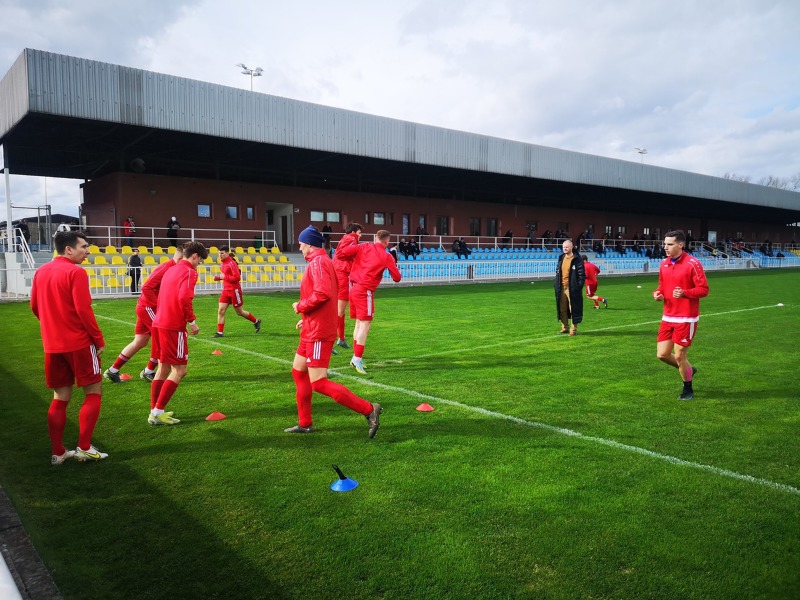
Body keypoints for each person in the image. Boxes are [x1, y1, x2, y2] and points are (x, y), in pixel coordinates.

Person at [284, 226, 382, 438]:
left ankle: (369, 409)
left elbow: (322, 294)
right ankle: (305, 423)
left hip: (318, 333)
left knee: (319, 382)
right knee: (298, 371)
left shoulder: (319, 263)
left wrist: (301, 306)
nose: (299, 248)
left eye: (301, 244)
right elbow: (325, 295)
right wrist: (306, 318)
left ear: (309, 244)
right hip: (312, 327)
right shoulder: (318, 261)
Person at [31, 230, 108, 464]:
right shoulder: (76, 272)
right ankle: (84, 447)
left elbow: (35, 306)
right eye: (83, 247)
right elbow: (83, 309)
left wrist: (53, 326)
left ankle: (58, 452)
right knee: (93, 391)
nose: (88, 251)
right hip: (79, 343)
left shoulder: (41, 271)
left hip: (52, 346)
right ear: (68, 249)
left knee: (60, 397)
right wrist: (98, 338)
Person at [103, 246, 184, 384]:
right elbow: (146, 287)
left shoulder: (172, 267)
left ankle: (113, 370)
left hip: (146, 307)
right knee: (162, 338)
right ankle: (149, 371)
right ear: (181, 258)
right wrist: (160, 307)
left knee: (140, 341)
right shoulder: (167, 268)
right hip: (149, 308)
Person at [148, 241, 208, 425]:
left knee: (163, 368)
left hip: (158, 323)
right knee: (180, 370)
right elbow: (184, 297)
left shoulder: (171, 269)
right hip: (173, 325)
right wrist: (192, 321)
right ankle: (158, 412)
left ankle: (154, 411)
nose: (199, 264)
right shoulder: (190, 272)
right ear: (194, 256)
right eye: (200, 260)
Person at [337, 229, 403, 374]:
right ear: (387, 241)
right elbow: (397, 278)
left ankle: (356, 357)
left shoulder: (364, 246)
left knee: (359, 324)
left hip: (353, 288)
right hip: (364, 290)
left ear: (375, 238)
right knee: (365, 326)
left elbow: (342, 252)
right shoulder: (386, 256)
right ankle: (357, 358)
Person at [653, 230, 709, 401]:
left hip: (686, 318)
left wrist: (685, 293)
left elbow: (704, 289)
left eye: (669, 244)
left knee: (679, 356)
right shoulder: (663, 264)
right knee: (662, 355)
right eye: (665, 244)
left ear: (681, 245)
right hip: (667, 317)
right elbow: (661, 286)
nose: (665, 247)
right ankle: (688, 369)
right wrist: (657, 294)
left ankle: (687, 389)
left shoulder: (693, 263)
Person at [213, 245, 261, 337]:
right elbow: (225, 277)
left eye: (222, 253)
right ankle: (220, 333)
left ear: (227, 253)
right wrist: (218, 277)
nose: (220, 255)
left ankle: (256, 321)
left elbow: (237, 277)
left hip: (234, 290)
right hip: (225, 290)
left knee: (239, 312)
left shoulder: (232, 263)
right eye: (219, 253)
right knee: (221, 311)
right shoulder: (222, 264)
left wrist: (224, 277)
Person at [332, 223, 363, 349]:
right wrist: (357, 251)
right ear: (354, 232)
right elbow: (341, 253)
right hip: (342, 275)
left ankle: (341, 338)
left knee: (340, 310)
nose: (360, 236)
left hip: (340, 274)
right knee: (339, 311)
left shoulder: (346, 239)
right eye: (359, 233)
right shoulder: (351, 239)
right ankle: (330, 340)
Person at [554, 238, 585, 336]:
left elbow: (581, 275)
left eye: (567, 247)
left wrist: (578, 287)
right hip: (561, 287)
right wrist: (556, 284)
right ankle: (564, 327)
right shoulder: (561, 258)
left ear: (571, 247)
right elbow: (558, 272)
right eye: (563, 247)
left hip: (572, 288)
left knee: (573, 308)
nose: (565, 249)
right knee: (562, 308)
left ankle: (574, 329)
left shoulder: (577, 259)